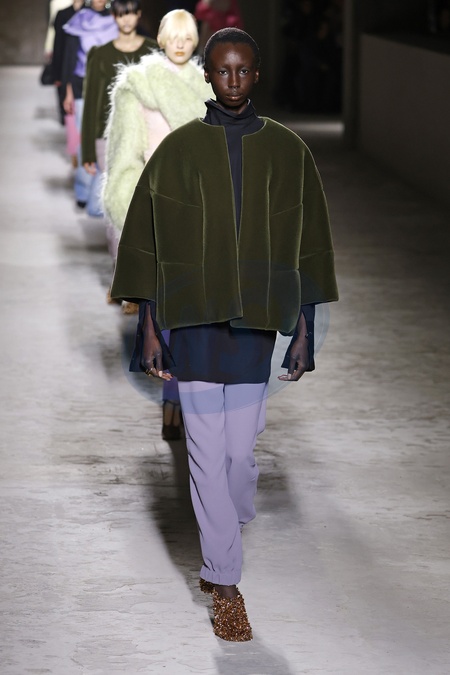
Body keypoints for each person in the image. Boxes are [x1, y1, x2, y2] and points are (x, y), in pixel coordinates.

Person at [110, 28, 338, 641]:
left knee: (239, 457)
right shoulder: (178, 150)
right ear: (207, 76)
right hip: (192, 321)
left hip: (256, 322)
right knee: (207, 454)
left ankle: (226, 529)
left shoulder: (289, 151)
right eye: (222, 71)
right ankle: (225, 583)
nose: (233, 80)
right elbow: (145, 243)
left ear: (256, 74)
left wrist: (305, 328)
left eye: (243, 70)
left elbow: (310, 244)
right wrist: (149, 327)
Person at [103, 9, 211, 439]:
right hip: (159, 207)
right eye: (173, 36)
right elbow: (124, 155)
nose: (181, 44)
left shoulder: (208, 85)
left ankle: (186, 400)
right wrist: (133, 210)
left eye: (188, 37)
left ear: (196, 41)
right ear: (162, 39)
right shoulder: (138, 83)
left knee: (199, 315)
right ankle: (173, 399)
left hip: (203, 210)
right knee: (167, 312)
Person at [81, 0, 156, 249]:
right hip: (108, 137)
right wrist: (87, 151)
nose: (126, 19)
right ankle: (118, 266)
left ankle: (139, 259)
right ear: (114, 16)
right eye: (121, 14)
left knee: (142, 200)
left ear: (139, 15)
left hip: (145, 135)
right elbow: (91, 102)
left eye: (131, 13)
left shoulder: (153, 51)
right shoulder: (100, 55)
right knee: (116, 200)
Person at [62, 0, 119, 213]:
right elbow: (70, 59)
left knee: (105, 138)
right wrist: (68, 91)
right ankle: (83, 191)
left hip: (110, 86)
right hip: (81, 85)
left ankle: (99, 192)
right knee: (84, 137)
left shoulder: (119, 18)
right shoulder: (79, 19)